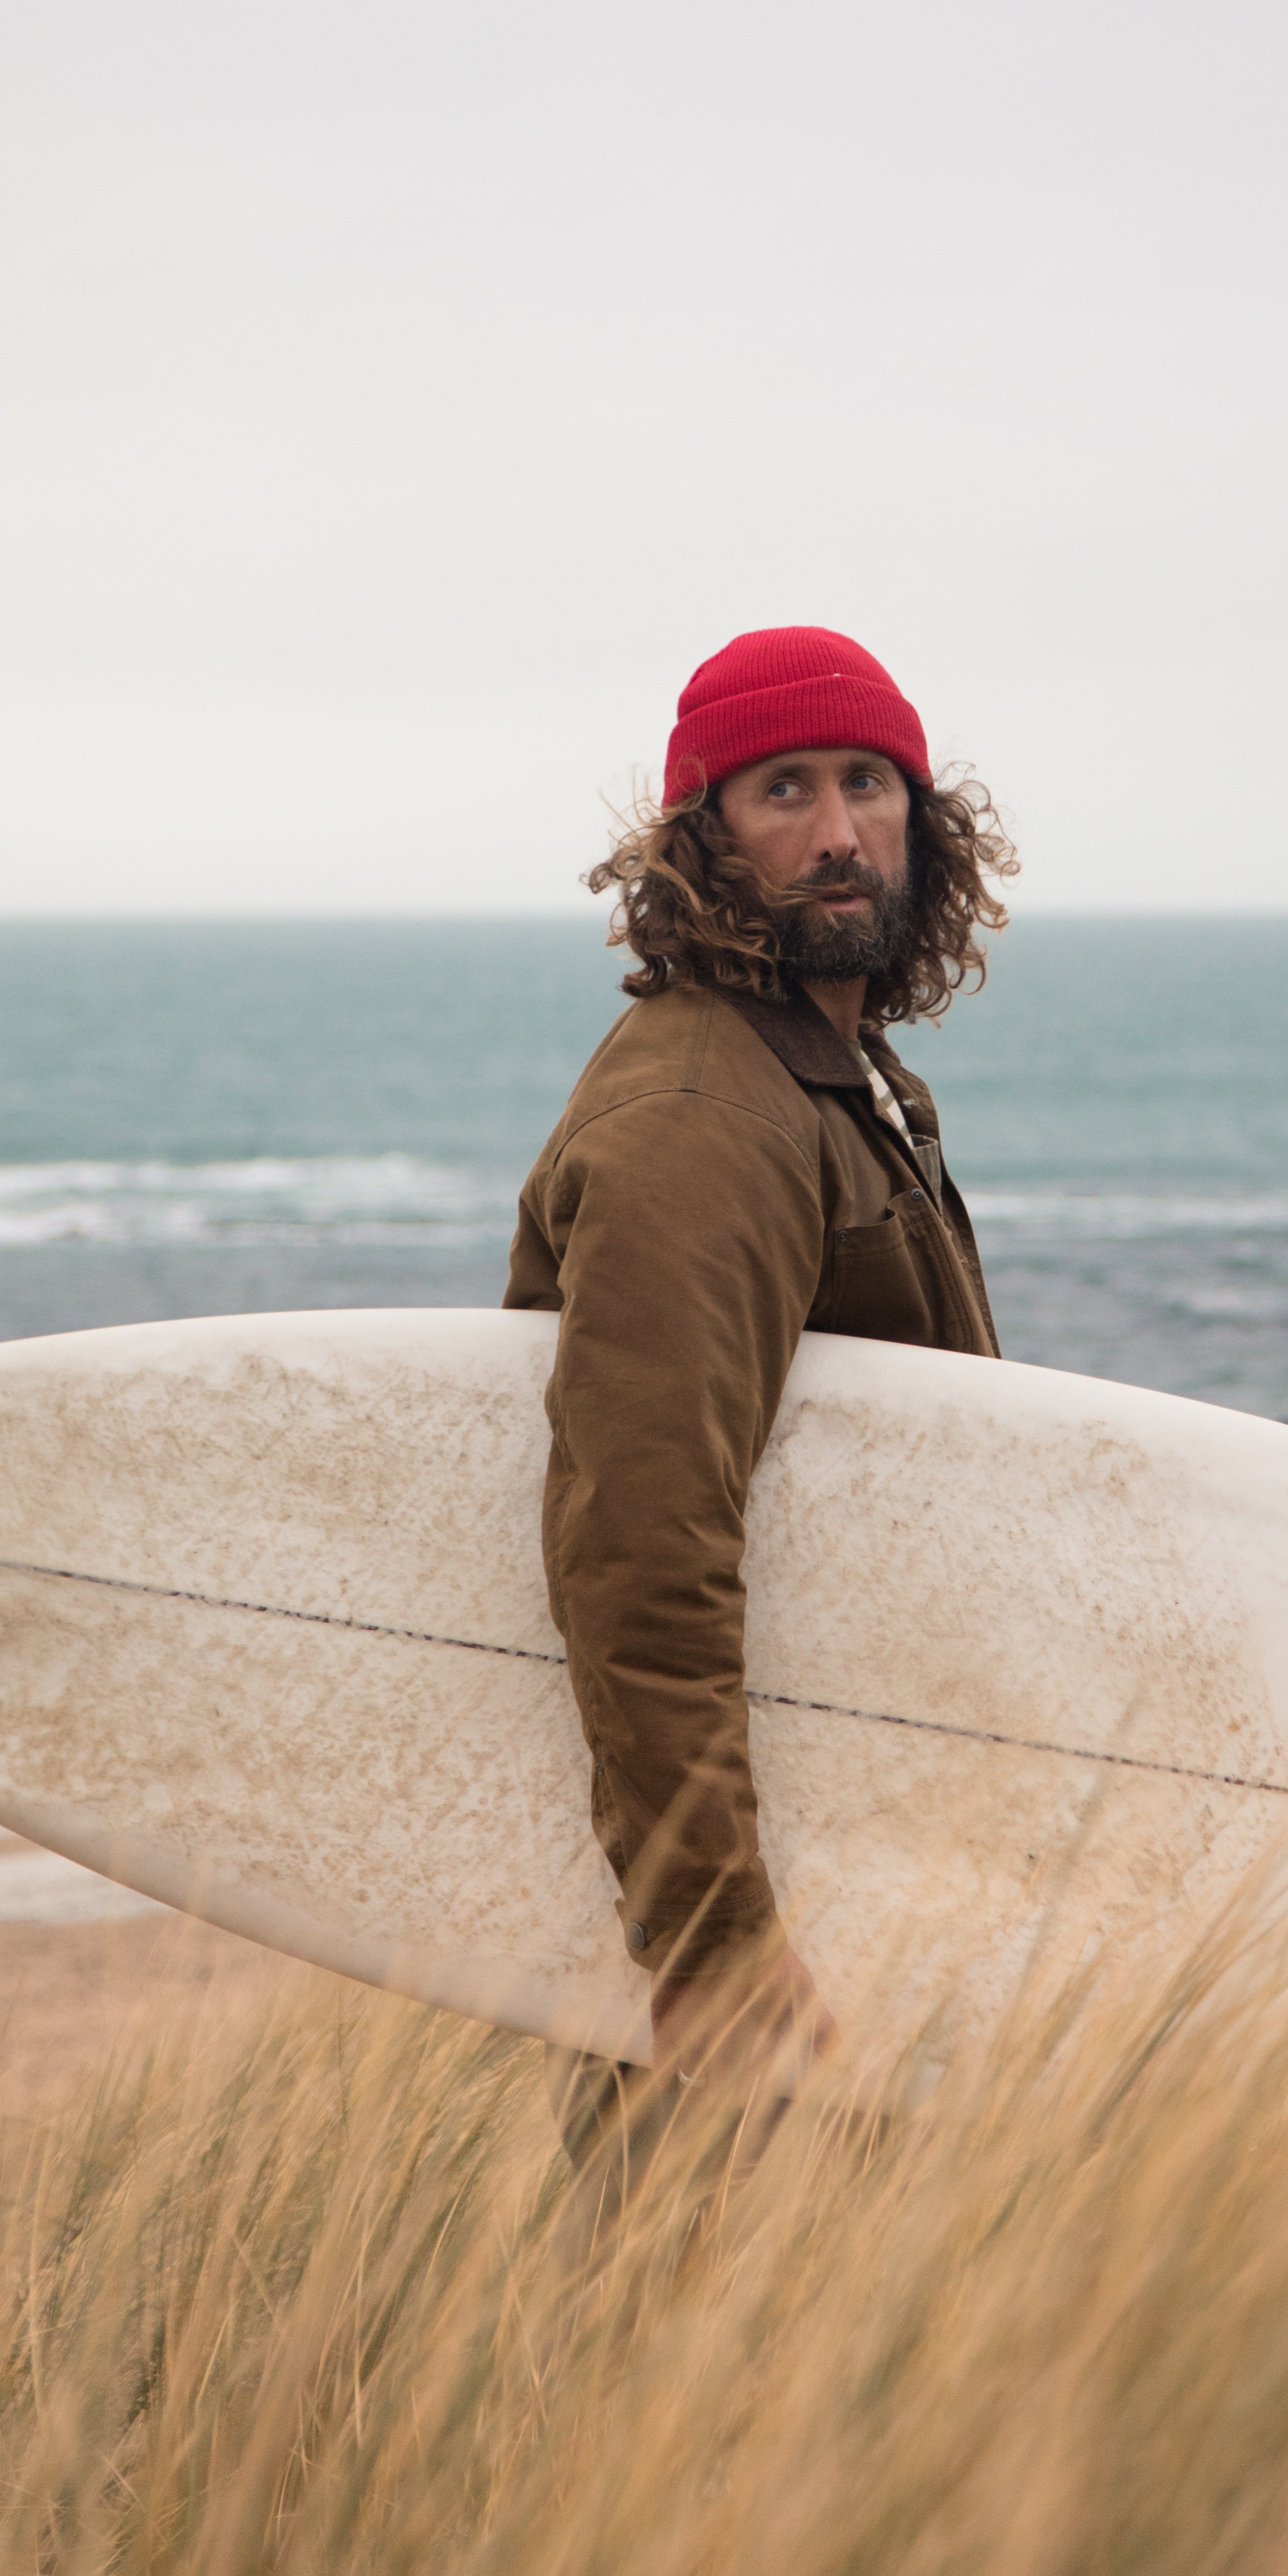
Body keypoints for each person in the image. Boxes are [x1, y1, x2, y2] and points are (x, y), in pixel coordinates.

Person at [505, 625, 1018, 2155]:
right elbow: (641, 1548)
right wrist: (715, 1937)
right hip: (756, 1912)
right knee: (720, 2273)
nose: (838, 832)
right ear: (702, 839)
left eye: (869, 782)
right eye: (782, 790)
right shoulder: (699, 1122)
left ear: (923, 818)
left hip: (853, 1851)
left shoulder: (833, 1079)